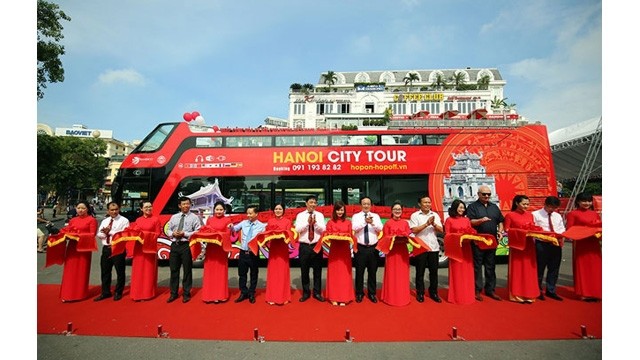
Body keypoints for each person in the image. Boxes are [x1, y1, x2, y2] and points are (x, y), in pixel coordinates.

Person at [466, 185, 505, 301]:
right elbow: (470, 222)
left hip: (492, 241)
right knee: (477, 266)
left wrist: (500, 231)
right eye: (484, 194)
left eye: (488, 194)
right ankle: (477, 290)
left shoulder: (494, 207)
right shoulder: (473, 207)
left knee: (491, 266)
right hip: (478, 241)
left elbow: (500, 221)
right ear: (478, 194)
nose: (487, 196)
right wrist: (480, 221)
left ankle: (490, 290)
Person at [565, 192, 601, 302]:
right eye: (584, 201)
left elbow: (599, 226)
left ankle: (596, 292)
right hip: (581, 244)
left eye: (589, 201)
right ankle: (584, 293)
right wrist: (583, 231)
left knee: (596, 268)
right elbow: (569, 230)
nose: (587, 203)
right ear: (578, 202)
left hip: (593, 243)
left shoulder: (594, 213)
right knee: (583, 268)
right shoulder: (573, 214)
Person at [503, 195, 539, 304]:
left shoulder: (530, 215)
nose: (526, 206)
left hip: (529, 245)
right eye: (524, 204)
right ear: (517, 203)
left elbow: (533, 227)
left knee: (529, 270)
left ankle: (530, 294)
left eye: (527, 204)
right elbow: (507, 230)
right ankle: (517, 295)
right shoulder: (510, 215)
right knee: (518, 269)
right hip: (517, 246)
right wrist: (520, 232)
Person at [59, 201, 97, 302]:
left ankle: (80, 294)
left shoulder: (91, 220)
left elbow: (92, 235)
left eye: (83, 208)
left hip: (84, 249)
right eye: (78, 208)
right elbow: (68, 230)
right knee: (69, 271)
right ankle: (67, 294)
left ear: (87, 209)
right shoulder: (73, 220)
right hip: (72, 248)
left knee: (81, 271)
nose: (80, 210)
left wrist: (77, 236)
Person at [166, 196, 201, 303]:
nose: (186, 205)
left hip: (186, 245)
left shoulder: (194, 217)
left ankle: (186, 293)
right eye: (184, 204)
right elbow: (168, 229)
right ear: (179, 206)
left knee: (187, 270)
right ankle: (173, 293)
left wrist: (185, 234)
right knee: (174, 270)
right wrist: (173, 233)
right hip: (175, 245)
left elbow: (198, 231)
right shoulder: (174, 217)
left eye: (188, 204)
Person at [409, 195, 444, 303]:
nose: (428, 204)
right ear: (420, 204)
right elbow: (414, 230)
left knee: (433, 272)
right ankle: (420, 293)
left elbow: (441, 230)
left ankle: (433, 292)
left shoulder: (435, 215)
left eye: (429, 202)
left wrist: (433, 223)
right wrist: (426, 224)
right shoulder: (415, 216)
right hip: (420, 248)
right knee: (420, 272)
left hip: (433, 247)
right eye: (425, 202)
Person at [94, 202, 130, 302]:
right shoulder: (105, 221)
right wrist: (104, 233)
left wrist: (109, 232)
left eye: (116, 209)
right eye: (112, 210)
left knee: (120, 271)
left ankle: (118, 292)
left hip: (118, 248)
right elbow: (99, 234)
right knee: (105, 271)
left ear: (119, 209)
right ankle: (105, 292)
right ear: (108, 211)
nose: (114, 211)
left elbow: (124, 234)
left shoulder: (124, 220)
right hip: (106, 248)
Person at [532, 196, 566, 301]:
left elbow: (561, 228)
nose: (552, 209)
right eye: (550, 207)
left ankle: (551, 290)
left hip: (555, 243)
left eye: (554, 208)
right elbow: (534, 229)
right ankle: (537, 290)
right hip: (542, 243)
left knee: (554, 268)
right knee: (540, 268)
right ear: (545, 204)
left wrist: (561, 237)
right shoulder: (535, 214)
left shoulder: (557, 216)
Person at [322, 201, 355, 306]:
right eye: (338, 210)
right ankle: (334, 297)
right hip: (335, 251)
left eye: (341, 210)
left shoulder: (348, 222)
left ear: (344, 211)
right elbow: (327, 235)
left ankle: (344, 297)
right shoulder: (330, 222)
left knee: (345, 274)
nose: (340, 212)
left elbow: (350, 235)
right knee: (334, 274)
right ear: (334, 211)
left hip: (344, 251)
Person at [379, 201, 413, 306]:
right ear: (392, 211)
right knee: (392, 274)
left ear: (402, 211)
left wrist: (404, 237)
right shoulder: (388, 223)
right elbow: (384, 239)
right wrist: (393, 238)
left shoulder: (405, 223)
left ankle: (402, 297)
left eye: (399, 209)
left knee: (402, 275)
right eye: (395, 209)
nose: (397, 211)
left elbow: (409, 237)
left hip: (402, 251)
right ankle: (391, 297)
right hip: (392, 251)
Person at [444, 200, 476, 305]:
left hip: (466, 249)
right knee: (456, 272)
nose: (462, 210)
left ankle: (468, 294)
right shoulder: (449, 220)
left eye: (463, 208)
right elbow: (447, 235)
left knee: (467, 272)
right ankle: (457, 296)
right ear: (454, 208)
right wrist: (458, 237)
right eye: (459, 207)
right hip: (456, 250)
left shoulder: (467, 220)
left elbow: (470, 231)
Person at [294, 194, 326, 302]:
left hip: (316, 245)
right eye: (311, 202)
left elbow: (323, 230)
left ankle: (317, 293)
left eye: (314, 202)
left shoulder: (320, 215)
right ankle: (306, 293)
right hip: (304, 246)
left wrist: (315, 223)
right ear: (306, 203)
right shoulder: (300, 215)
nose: (313, 204)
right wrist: (307, 224)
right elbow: (297, 229)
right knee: (304, 271)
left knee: (317, 271)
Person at [351, 196, 383, 303]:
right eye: (364, 204)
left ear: (371, 205)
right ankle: (359, 293)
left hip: (373, 248)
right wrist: (365, 222)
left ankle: (372, 293)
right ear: (361, 205)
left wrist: (372, 222)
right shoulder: (356, 216)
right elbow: (354, 228)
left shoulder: (376, 216)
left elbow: (380, 228)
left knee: (372, 272)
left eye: (368, 204)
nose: (366, 206)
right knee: (359, 272)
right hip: (361, 248)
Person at [232, 205, 266, 304]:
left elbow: (264, 239)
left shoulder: (262, 226)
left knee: (254, 274)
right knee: (242, 274)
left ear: (256, 214)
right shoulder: (244, 223)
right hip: (243, 252)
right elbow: (234, 229)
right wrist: (231, 227)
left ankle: (251, 293)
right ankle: (243, 292)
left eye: (250, 213)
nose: (248, 215)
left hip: (253, 253)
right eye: (247, 213)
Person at [201, 201, 233, 303]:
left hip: (221, 249)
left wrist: (218, 234)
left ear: (224, 210)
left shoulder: (228, 220)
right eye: (217, 209)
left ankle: (220, 295)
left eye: (221, 210)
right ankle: (209, 295)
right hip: (211, 249)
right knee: (210, 272)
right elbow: (206, 231)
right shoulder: (209, 220)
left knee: (220, 272)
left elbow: (228, 234)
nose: (219, 211)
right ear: (214, 210)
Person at [262, 202, 294, 305]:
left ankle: (283, 297)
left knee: (282, 273)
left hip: (283, 249)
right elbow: (266, 234)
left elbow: (289, 234)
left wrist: (283, 234)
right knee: (273, 273)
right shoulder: (270, 221)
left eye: (280, 209)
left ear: (283, 210)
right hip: (274, 249)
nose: (278, 211)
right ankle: (272, 297)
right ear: (273, 210)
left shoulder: (287, 221)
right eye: (276, 209)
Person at [130, 201, 162, 301]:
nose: (148, 208)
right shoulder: (138, 220)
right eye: (146, 207)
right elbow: (134, 232)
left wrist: (146, 235)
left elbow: (158, 233)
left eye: (150, 206)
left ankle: (147, 294)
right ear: (141, 209)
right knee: (138, 271)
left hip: (150, 248)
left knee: (149, 271)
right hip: (139, 248)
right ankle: (136, 294)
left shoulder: (156, 220)